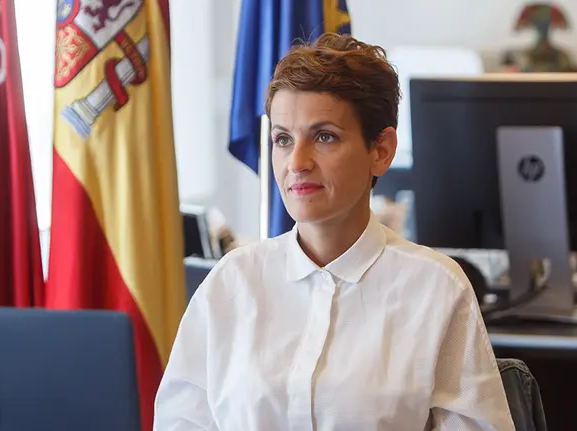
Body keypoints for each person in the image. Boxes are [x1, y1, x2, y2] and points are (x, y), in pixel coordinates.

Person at [154, 33, 515, 431]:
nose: (297, 162)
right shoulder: (232, 281)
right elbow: (180, 421)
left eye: (324, 137)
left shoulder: (435, 288)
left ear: (381, 150)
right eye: (283, 139)